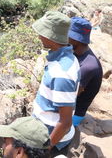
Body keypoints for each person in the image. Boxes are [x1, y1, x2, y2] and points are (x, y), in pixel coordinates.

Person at [31, 11, 80, 156]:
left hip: (52, 140)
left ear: (50, 37)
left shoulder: (61, 73)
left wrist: (44, 149)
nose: (39, 36)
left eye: (41, 33)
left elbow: (65, 123)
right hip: (45, 132)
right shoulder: (66, 59)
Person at [68, 17, 103, 126]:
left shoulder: (88, 66)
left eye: (67, 35)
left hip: (74, 114)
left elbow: (69, 96)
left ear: (76, 39)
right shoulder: (79, 53)